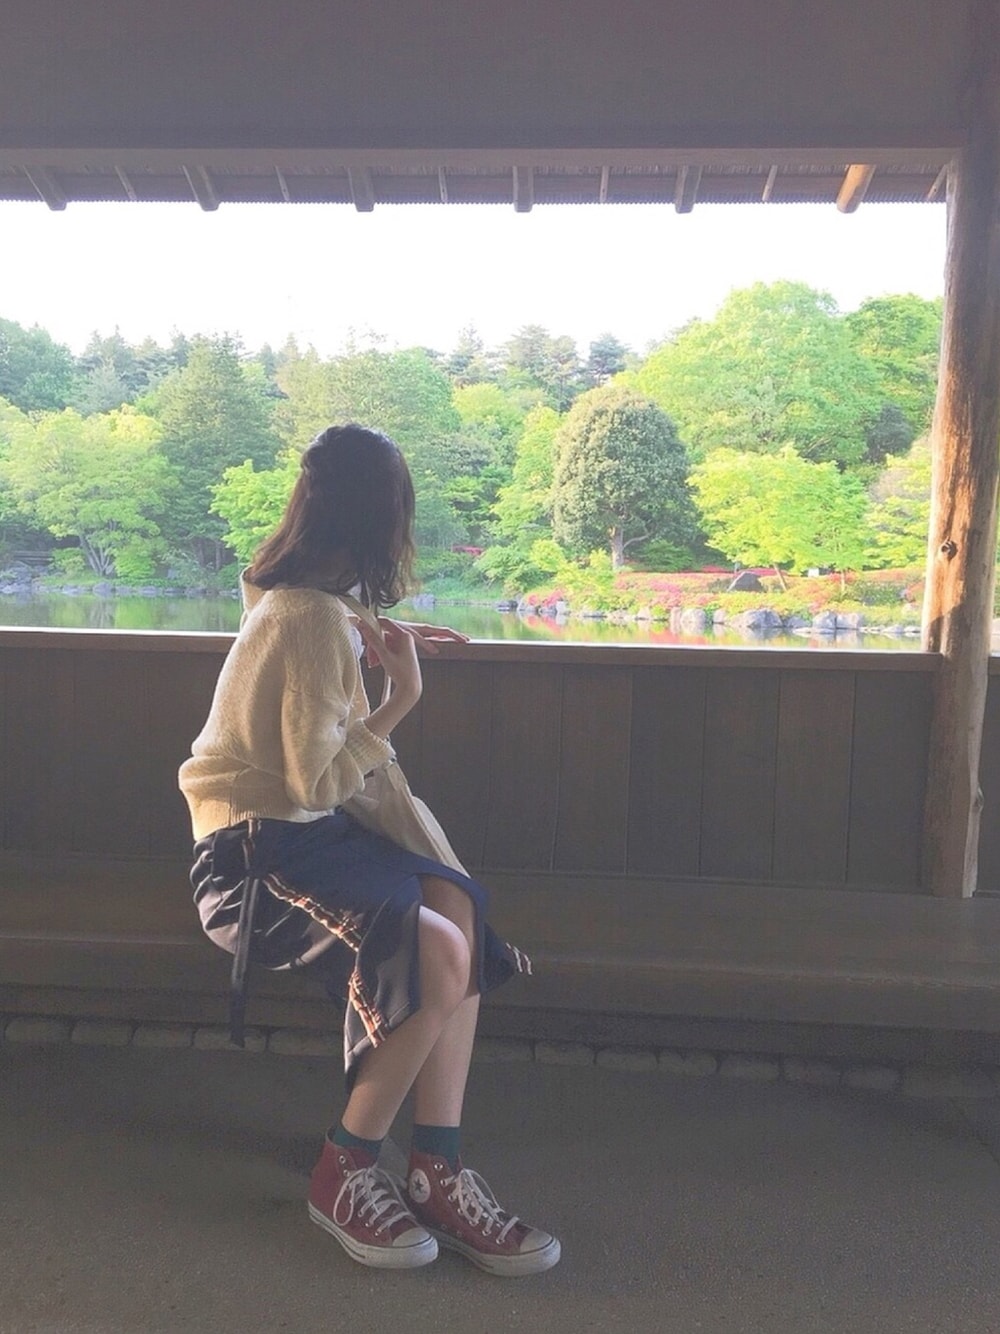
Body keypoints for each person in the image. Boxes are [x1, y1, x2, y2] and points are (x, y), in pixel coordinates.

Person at [178, 423, 560, 1277]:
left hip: (303, 837)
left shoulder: (295, 600)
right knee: (439, 946)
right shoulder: (311, 621)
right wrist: (399, 698)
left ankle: (435, 1169)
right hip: (254, 859)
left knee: (456, 906)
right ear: (387, 518)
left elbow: (305, 628)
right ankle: (344, 1169)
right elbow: (316, 783)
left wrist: (375, 632)